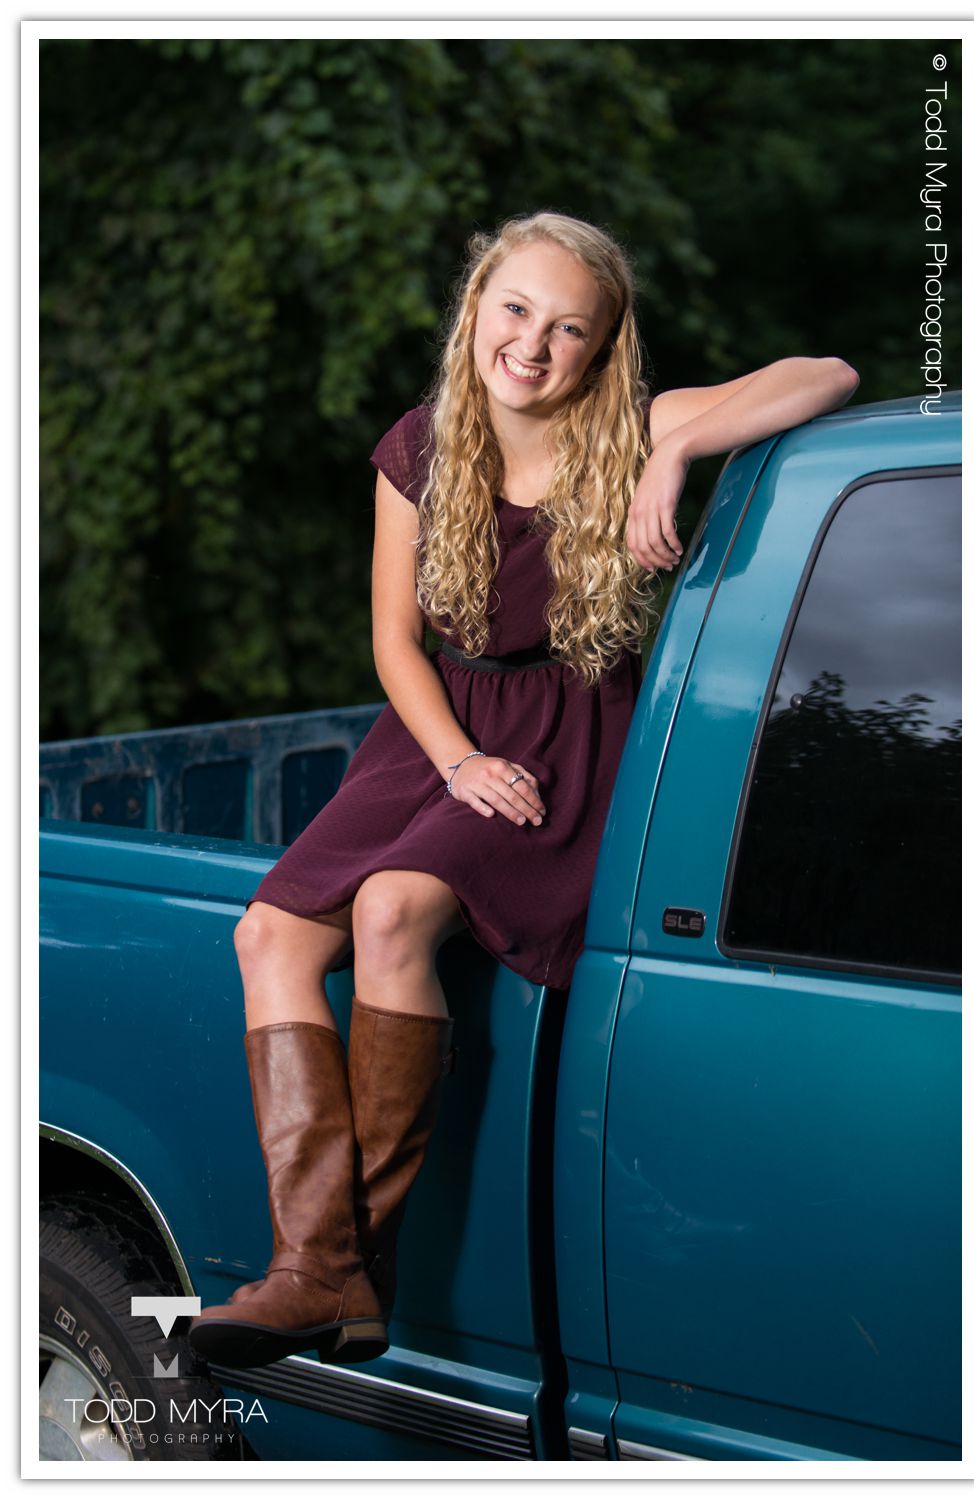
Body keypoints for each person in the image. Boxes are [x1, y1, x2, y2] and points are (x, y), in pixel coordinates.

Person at [186, 210, 859, 1371]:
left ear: (599, 349)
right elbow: (394, 644)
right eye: (515, 309)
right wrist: (453, 760)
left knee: (391, 910)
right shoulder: (420, 446)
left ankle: (333, 1270)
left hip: (568, 727)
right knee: (266, 934)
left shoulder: (628, 427)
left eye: (567, 329)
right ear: (475, 308)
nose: (533, 345)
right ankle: (325, 1273)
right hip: (436, 729)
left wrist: (674, 453)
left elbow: (827, 374)